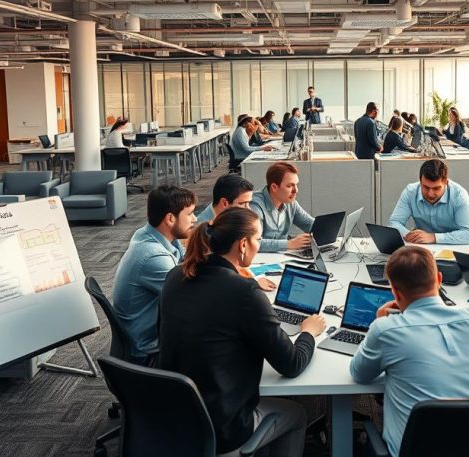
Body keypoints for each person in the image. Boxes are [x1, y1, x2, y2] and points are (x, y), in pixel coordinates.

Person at [158, 207, 326, 456]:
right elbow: (291, 364)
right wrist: (308, 332)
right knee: (298, 414)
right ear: (243, 245)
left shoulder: (175, 275)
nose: (259, 244)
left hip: (172, 416)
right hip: (222, 428)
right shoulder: (244, 292)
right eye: (258, 239)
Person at [350, 246, 469, 457]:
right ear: (439, 279)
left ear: (395, 291)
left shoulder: (386, 329)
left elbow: (359, 373)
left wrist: (378, 324)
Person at [112, 185, 197, 363]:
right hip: (148, 353)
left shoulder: (149, 234)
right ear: (170, 219)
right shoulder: (154, 257)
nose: (194, 219)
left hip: (147, 336)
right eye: (189, 214)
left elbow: (185, 266)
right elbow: (194, 298)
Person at [389, 159, 469, 245]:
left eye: (436, 188)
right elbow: (394, 222)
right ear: (420, 181)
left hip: (451, 246)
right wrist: (408, 234)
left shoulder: (459, 195)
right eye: (425, 187)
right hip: (421, 246)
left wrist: (434, 237)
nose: (430, 194)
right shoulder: (410, 192)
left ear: (446, 182)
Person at [250, 162, 315, 253]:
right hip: (259, 261)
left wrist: (325, 229)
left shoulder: (291, 203)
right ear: (274, 187)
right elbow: (252, 242)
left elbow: (309, 224)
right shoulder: (255, 205)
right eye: (289, 186)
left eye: (296, 185)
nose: (296, 190)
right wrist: (289, 244)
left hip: (281, 258)